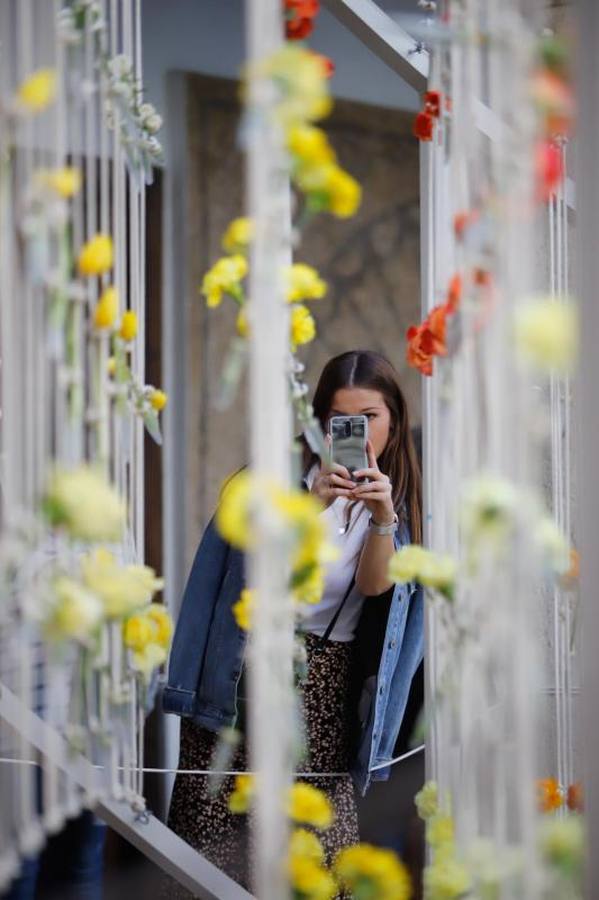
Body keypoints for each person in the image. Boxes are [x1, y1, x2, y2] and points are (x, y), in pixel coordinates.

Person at [162, 350, 424, 892]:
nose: (356, 433)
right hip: (243, 680)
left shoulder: (399, 505)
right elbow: (246, 584)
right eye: (340, 420)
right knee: (217, 854)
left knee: (317, 857)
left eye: (369, 417)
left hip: (323, 689)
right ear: (319, 423)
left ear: (394, 421)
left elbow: (375, 588)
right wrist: (308, 510)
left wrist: (382, 519)